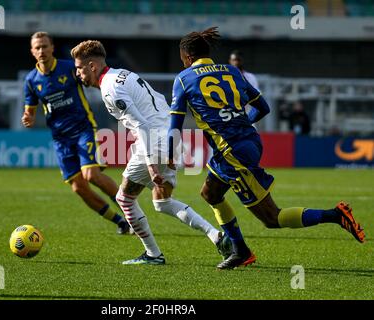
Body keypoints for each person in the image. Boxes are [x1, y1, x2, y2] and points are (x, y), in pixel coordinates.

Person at [169, 27, 365, 270]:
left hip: (234, 154)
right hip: (245, 142)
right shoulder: (231, 71)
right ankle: (240, 251)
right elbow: (263, 107)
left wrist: (168, 157)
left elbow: (174, 128)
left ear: (186, 57)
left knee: (272, 218)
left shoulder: (183, 79)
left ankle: (335, 215)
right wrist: (240, 124)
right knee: (210, 193)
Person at [71, 40, 230, 265]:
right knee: (162, 202)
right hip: (171, 136)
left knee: (124, 198)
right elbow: (159, 101)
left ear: (92, 66)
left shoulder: (110, 88)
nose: (77, 73)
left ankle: (153, 255)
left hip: (154, 139)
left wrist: (151, 166)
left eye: (79, 67)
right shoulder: (122, 73)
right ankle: (217, 235)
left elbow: (142, 126)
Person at [21, 32, 131, 235]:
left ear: (52, 47)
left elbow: (92, 79)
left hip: (83, 129)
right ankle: (120, 222)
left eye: (45, 46)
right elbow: (31, 109)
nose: (42, 50)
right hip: (60, 139)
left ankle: (132, 213)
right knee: (79, 187)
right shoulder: (31, 80)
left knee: (92, 175)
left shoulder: (69, 68)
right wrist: (28, 116)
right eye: (37, 47)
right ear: (32, 51)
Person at [229, 50, 259, 117]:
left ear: (242, 61)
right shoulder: (226, 77)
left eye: (238, 60)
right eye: (233, 60)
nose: (236, 62)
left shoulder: (250, 77)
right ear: (230, 61)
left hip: (247, 114)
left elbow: (257, 98)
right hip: (230, 116)